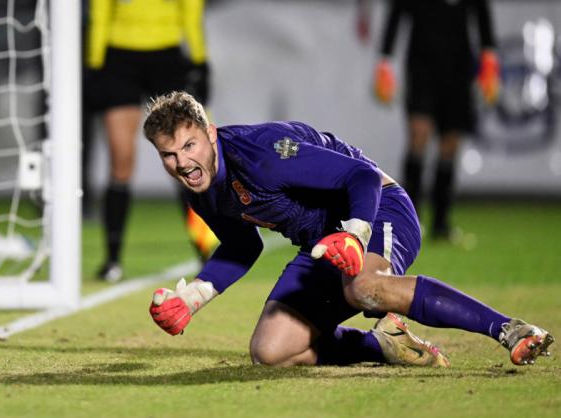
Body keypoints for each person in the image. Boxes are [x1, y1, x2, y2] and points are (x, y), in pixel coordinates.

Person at [143, 91, 554, 368]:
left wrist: (355, 234)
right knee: (270, 352)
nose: (182, 163)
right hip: (325, 245)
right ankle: (384, 343)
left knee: (364, 287)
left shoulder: (262, 155)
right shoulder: (200, 188)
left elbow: (362, 176)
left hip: (377, 209)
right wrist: (194, 297)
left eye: (190, 146)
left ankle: (508, 328)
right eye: (169, 155)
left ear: (210, 134)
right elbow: (240, 245)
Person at [85, 0, 214, 282]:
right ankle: (112, 260)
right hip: (118, 59)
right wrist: (94, 65)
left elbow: (191, 13)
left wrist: (200, 61)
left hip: (167, 58)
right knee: (121, 160)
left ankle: (205, 253)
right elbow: (100, 12)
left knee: (187, 161)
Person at [372, 0, 500, 240]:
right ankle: (410, 219)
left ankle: (441, 223)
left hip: (459, 68)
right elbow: (397, 12)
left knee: (450, 144)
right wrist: (384, 59)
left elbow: (481, 11)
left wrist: (489, 54)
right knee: (419, 135)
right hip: (421, 66)